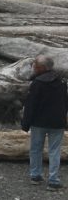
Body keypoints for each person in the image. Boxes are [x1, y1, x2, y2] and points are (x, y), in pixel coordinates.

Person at [21, 54, 67, 189]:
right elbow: (65, 102)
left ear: (42, 68)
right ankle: (53, 180)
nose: (33, 67)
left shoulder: (37, 83)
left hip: (39, 122)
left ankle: (35, 175)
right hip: (57, 122)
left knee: (35, 149)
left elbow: (31, 105)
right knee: (54, 150)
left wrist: (25, 123)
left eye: (35, 65)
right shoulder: (61, 82)